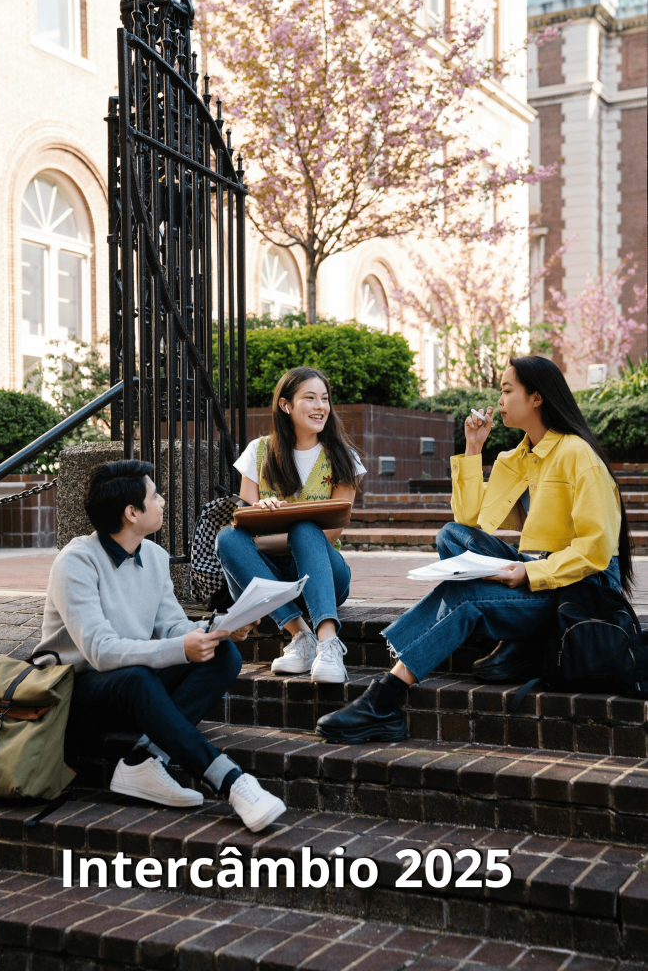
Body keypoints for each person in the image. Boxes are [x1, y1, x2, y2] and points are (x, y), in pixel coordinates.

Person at [317, 355, 634, 744]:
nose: (499, 400)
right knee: (451, 535)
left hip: (580, 591)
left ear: (536, 398)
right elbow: (472, 520)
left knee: (465, 596)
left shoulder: (577, 455)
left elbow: (596, 550)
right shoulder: (519, 457)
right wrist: (472, 449)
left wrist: (528, 573)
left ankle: (385, 700)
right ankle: (516, 640)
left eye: (506, 390)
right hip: (541, 575)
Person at [39, 459, 286, 833]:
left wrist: (222, 626)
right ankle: (233, 783)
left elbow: (172, 626)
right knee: (136, 677)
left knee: (222, 654)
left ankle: (145, 760)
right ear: (131, 512)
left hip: (132, 688)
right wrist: (179, 649)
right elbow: (101, 652)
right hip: (74, 697)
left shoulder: (153, 556)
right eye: (155, 496)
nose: (163, 501)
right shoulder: (75, 563)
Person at [215, 366, 366, 684]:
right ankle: (301, 637)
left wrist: (268, 530)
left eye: (324, 398)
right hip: (269, 579)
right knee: (227, 538)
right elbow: (241, 530)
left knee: (306, 529)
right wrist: (259, 512)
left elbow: (329, 534)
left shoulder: (342, 457)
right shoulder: (258, 453)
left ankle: (328, 643)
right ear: (285, 405)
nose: (320, 406)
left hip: (325, 577)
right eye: (309, 398)